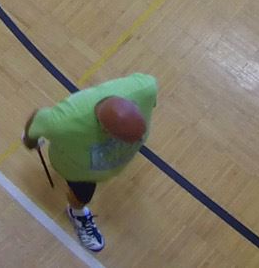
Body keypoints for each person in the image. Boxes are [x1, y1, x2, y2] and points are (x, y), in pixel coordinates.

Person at [21, 73, 158, 253]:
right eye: (126, 139)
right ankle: (77, 213)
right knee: (82, 195)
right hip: (78, 172)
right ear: (104, 130)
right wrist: (31, 140)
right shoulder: (63, 121)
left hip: (104, 165)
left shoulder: (146, 88)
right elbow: (38, 119)